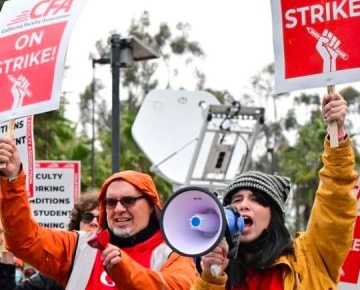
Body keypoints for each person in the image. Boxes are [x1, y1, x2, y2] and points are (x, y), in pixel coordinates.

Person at [193, 92, 358, 290]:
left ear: (274, 214)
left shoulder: (310, 257)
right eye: (236, 200)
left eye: (256, 199)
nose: (243, 205)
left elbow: (335, 201)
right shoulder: (220, 273)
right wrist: (210, 279)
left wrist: (336, 135)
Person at [0, 145, 197, 290]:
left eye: (128, 200)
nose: (118, 209)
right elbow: (24, 240)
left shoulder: (173, 253)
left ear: (152, 206)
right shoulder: (81, 245)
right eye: (111, 202)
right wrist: (13, 178)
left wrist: (123, 269)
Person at [15, 189, 100, 290]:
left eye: (100, 218)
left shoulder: (115, 264)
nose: (94, 222)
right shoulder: (59, 266)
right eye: (87, 217)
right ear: (78, 224)